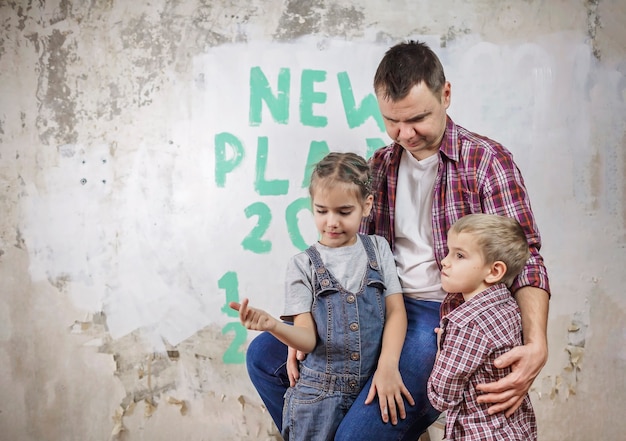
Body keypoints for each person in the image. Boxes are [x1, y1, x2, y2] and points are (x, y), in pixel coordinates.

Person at [246, 40, 551, 441]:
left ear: (446, 95)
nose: (404, 134)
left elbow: (525, 257)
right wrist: (305, 321)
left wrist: (537, 344)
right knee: (265, 358)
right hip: (375, 304)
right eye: (392, 121)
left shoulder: (486, 162)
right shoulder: (380, 166)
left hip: (441, 317)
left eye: (418, 119)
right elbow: (348, 253)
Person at [230, 152, 410, 441]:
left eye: (344, 211)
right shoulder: (302, 265)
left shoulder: (378, 248)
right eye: (322, 210)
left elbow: (396, 312)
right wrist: (272, 325)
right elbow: (307, 340)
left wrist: (388, 365)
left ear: (366, 206)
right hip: (317, 401)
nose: (332, 222)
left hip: (369, 386)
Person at [427, 213, 537, 440]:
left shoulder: (464, 324)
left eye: (459, 255)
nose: (445, 261)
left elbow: (442, 396)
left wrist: (441, 349)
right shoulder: (509, 304)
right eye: (448, 252)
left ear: (494, 271)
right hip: (515, 430)